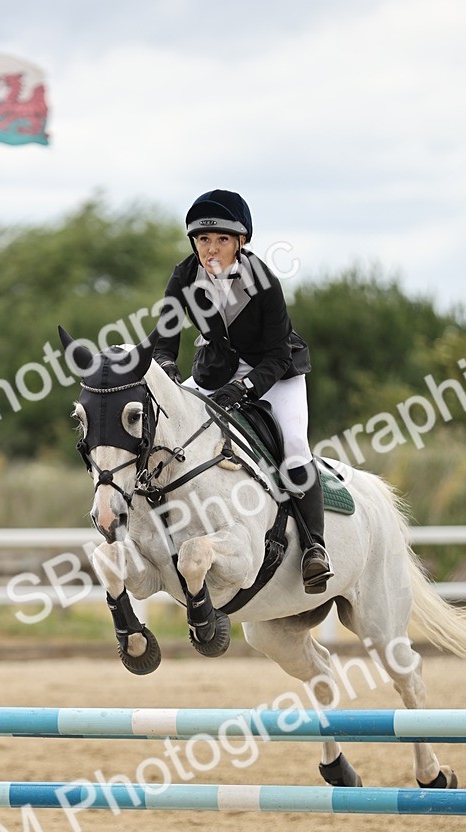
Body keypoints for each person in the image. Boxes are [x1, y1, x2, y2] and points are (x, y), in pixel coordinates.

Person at [153, 188, 332, 595]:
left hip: (276, 371)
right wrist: (166, 370)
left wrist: (244, 388)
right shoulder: (183, 276)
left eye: (221, 240)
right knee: (169, 429)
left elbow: (275, 354)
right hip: (215, 369)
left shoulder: (263, 280)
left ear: (240, 241)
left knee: (294, 447)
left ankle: (314, 548)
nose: (211, 249)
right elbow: (165, 339)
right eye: (203, 240)